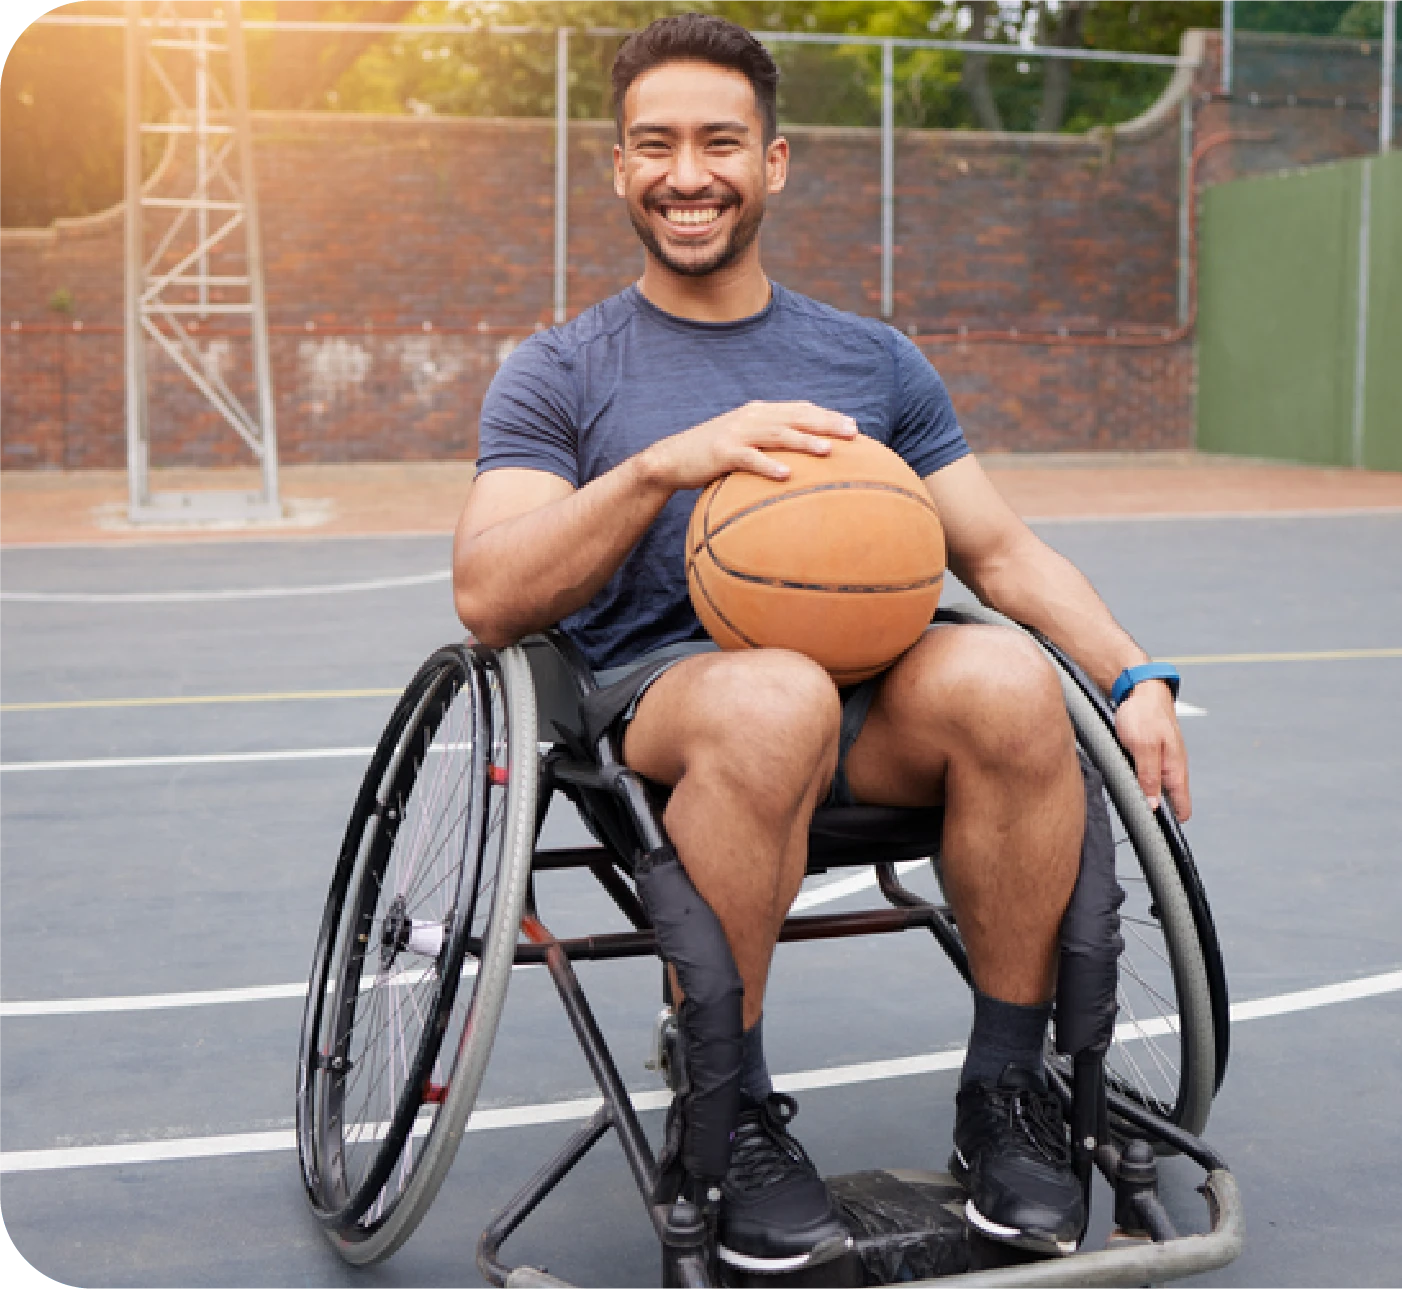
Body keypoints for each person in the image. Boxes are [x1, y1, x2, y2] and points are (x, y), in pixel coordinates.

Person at [453, 13, 1191, 1276]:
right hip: (678, 702)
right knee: (774, 695)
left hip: (875, 702)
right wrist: (659, 466)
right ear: (617, 168)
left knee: (1014, 678)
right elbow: (488, 593)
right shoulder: (558, 371)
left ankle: (1005, 1091)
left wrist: (1133, 673)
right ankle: (726, 1106)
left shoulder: (871, 359)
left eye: (719, 142)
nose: (689, 173)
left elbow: (999, 555)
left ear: (775, 161)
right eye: (656, 145)